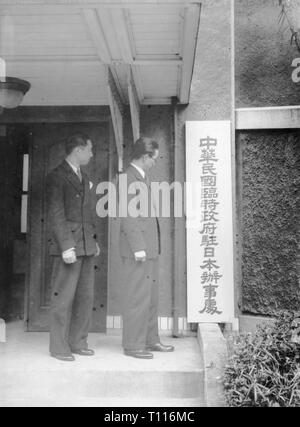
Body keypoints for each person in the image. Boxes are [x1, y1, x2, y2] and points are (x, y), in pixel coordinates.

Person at [119, 137, 174, 359]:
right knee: (137, 298)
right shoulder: (126, 179)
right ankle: (133, 345)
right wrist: (138, 247)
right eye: (154, 158)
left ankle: (150, 340)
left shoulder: (142, 177)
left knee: (150, 298)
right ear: (144, 157)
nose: (155, 162)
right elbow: (127, 216)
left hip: (149, 249)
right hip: (138, 251)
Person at [46, 133, 100, 362]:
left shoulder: (84, 176)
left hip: (86, 246)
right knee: (63, 299)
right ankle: (59, 348)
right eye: (89, 149)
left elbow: (86, 214)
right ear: (77, 150)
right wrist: (67, 246)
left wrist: (93, 241)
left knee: (85, 297)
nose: (91, 154)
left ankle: (78, 342)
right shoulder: (56, 177)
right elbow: (56, 214)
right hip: (68, 246)